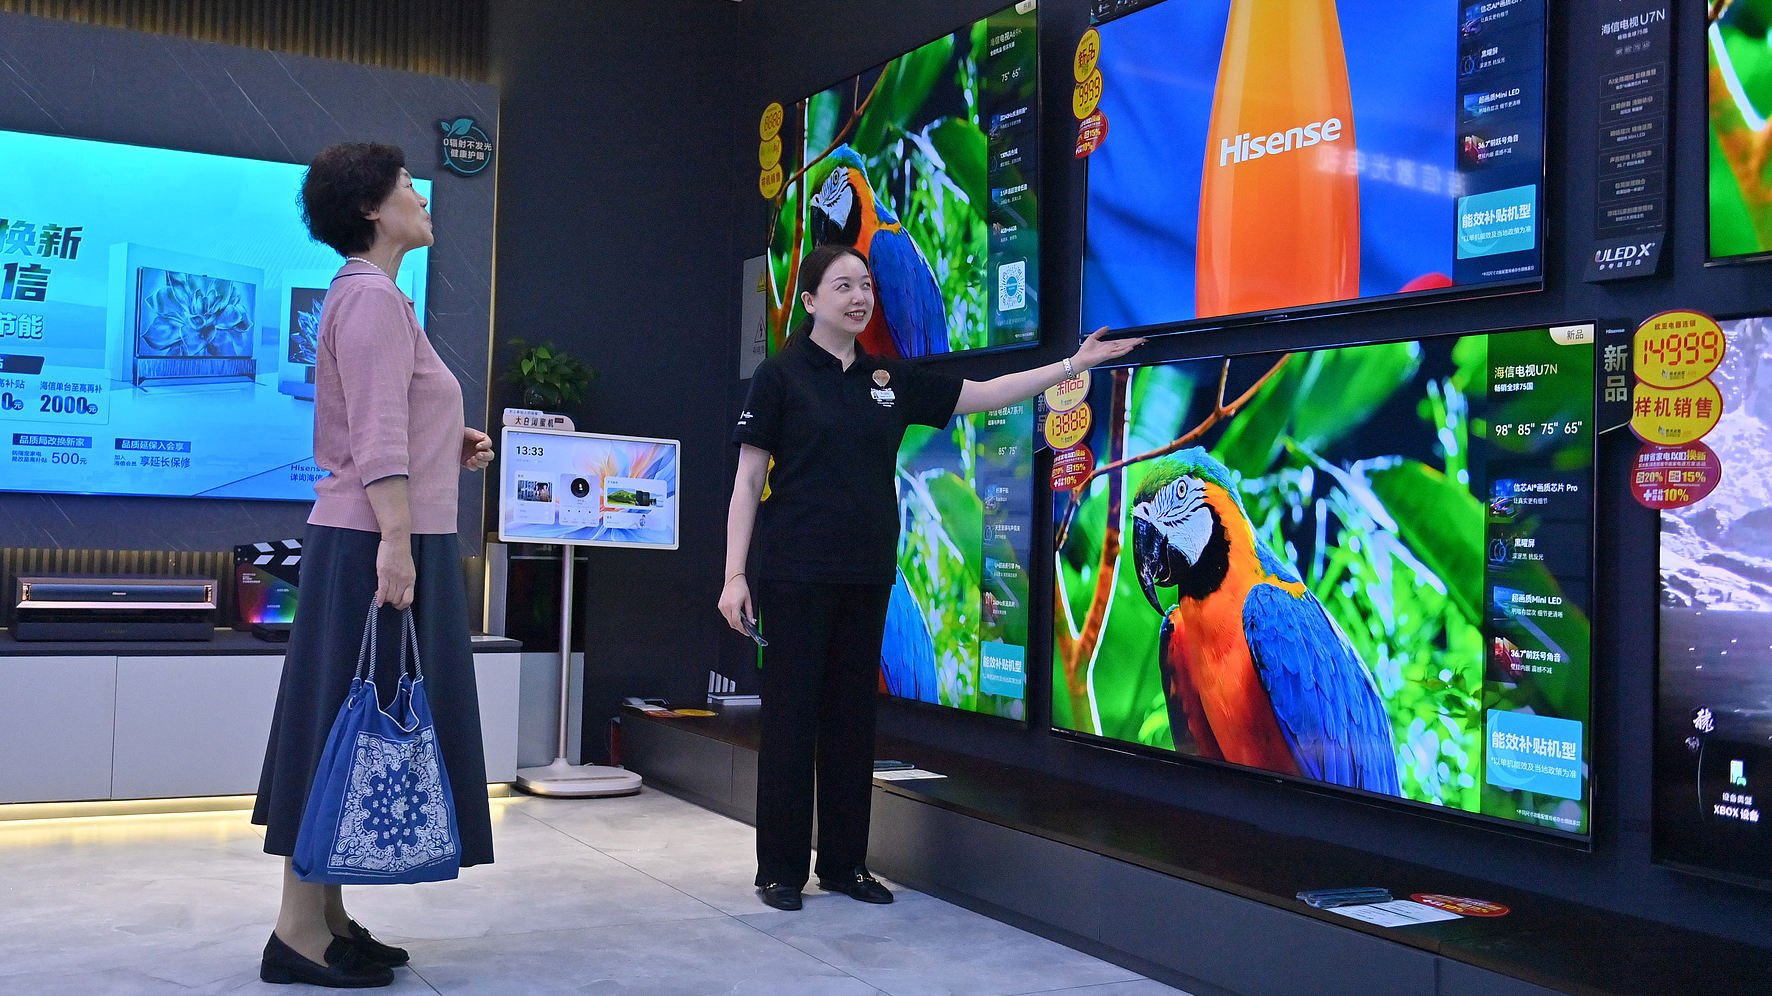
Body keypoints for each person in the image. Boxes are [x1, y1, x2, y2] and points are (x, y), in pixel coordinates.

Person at [720, 244, 1143, 911]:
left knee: (852, 725)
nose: (860, 296)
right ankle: (778, 870)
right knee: (792, 722)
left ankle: (843, 865)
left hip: (867, 576)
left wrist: (1072, 365)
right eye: (842, 286)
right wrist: (733, 575)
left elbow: (981, 396)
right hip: (794, 574)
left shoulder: (888, 380)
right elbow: (747, 480)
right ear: (808, 302)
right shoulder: (778, 377)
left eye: (865, 285)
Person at [252, 142, 497, 988]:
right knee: (339, 724)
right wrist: (395, 539)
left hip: (383, 532)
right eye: (407, 189)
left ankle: (328, 916)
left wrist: (447, 443)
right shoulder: (370, 299)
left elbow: (386, 415)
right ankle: (296, 933)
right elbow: (373, 435)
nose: (421, 199)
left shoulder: (378, 299)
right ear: (371, 210)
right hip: (373, 542)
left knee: (352, 720)